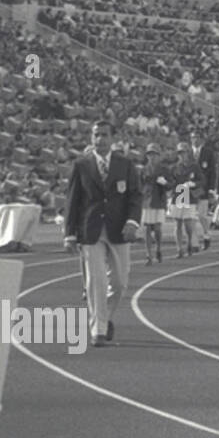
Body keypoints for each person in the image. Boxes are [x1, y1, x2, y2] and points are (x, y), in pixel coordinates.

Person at [64, 121, 143, 348]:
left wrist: (132, 222)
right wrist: (69, 234)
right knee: (96, 281)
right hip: (91, 231)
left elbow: (135, 196)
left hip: (119, 230)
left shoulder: (125, 165)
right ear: (91, 137)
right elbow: (72, 201)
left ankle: (105, 317)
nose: (100, 139)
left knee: (119, 283)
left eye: (104, 135)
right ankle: (98, 330)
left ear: (113, 138)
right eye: (96, 135)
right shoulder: (81, 165)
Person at [139, 143, 169, 266]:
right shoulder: (143, 170)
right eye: (150, 155)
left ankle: (158, 249)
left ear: (158, 156)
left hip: (159, 200)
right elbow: (139, 185)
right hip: (147, 201)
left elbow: (171, 184)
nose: (152, 157)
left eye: (154, 155)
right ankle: (148, 255)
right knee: (147, 229)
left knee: (157, 228)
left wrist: (165, 183)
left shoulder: (164, 169)